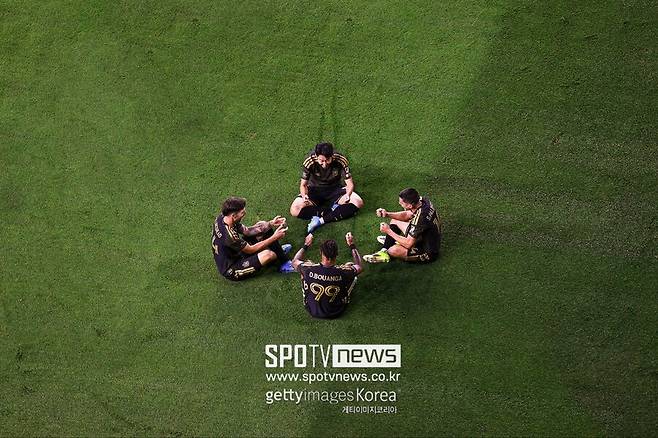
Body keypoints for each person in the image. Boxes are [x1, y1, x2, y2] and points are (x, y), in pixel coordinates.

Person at [212, 196, 295, 281]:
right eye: (242, 213)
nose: (245, 214)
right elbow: (251, 250)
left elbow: (247, 231)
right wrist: (274, 237)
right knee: (269, 255)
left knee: (263, 226)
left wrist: (270, 224)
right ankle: (280, 262)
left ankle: (279, 254)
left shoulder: (223, 217)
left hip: (236, 252)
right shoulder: (230, 236)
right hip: (232, 268)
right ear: (234, 216)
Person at [289, 142, 364, 234]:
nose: (324, 164)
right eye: (321, 160)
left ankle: (321, 220)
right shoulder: (309, 161)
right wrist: (304, 196)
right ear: (316, 156)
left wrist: (348, 195)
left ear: (332, 155)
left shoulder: (341, 160)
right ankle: (333, 211)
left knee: (358, 202)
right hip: (314, 190)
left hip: (335, 189)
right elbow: (303, 185)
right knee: (294, 210)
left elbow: (350, 184)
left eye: (327, 160)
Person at [291, 232, 363, 319]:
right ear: (337, 254)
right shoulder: (343, 272)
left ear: (321, 252)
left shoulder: (309, 269)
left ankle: (307, 294)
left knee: (304, 268)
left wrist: (306, 245)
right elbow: (359, 266)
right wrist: (352, 245)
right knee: (351, 268)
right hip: (337, 311)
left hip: (311, 309)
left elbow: (294, 261)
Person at [363, 188, 442, 264]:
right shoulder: (422, 201)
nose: (399, 203)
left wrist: (388, 231)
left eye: (402, 203)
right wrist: (387, 214)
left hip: (428, 252)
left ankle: (390, 248)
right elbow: (406, 215)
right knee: (395, 221)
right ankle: (384, 249)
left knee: (393, 250)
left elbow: (409, 244)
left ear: (410, 206)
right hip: (426, 236)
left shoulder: (420, 218)